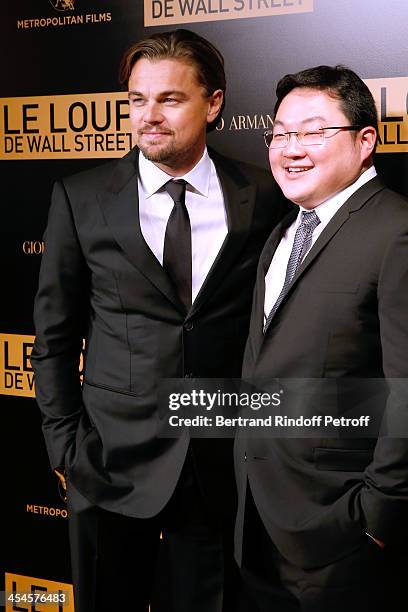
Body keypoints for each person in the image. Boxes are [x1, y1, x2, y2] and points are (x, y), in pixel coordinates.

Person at [31, 29, 286, 612]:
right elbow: (53, 336)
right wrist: (64, 445)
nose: (149, 115)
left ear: (213, 103)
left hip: (219, 461)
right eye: (137, 100)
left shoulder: (263, 194)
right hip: (108, 460)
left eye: (169, 99)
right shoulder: (81, 196)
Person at [235, 65, 408, 612]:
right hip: (258, 524)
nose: (292, 149)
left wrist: (377, 517)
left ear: (365, 142)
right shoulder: (286, 229)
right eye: (281, 134)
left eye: (313, 131)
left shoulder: (396, 232)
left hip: (342, 536)